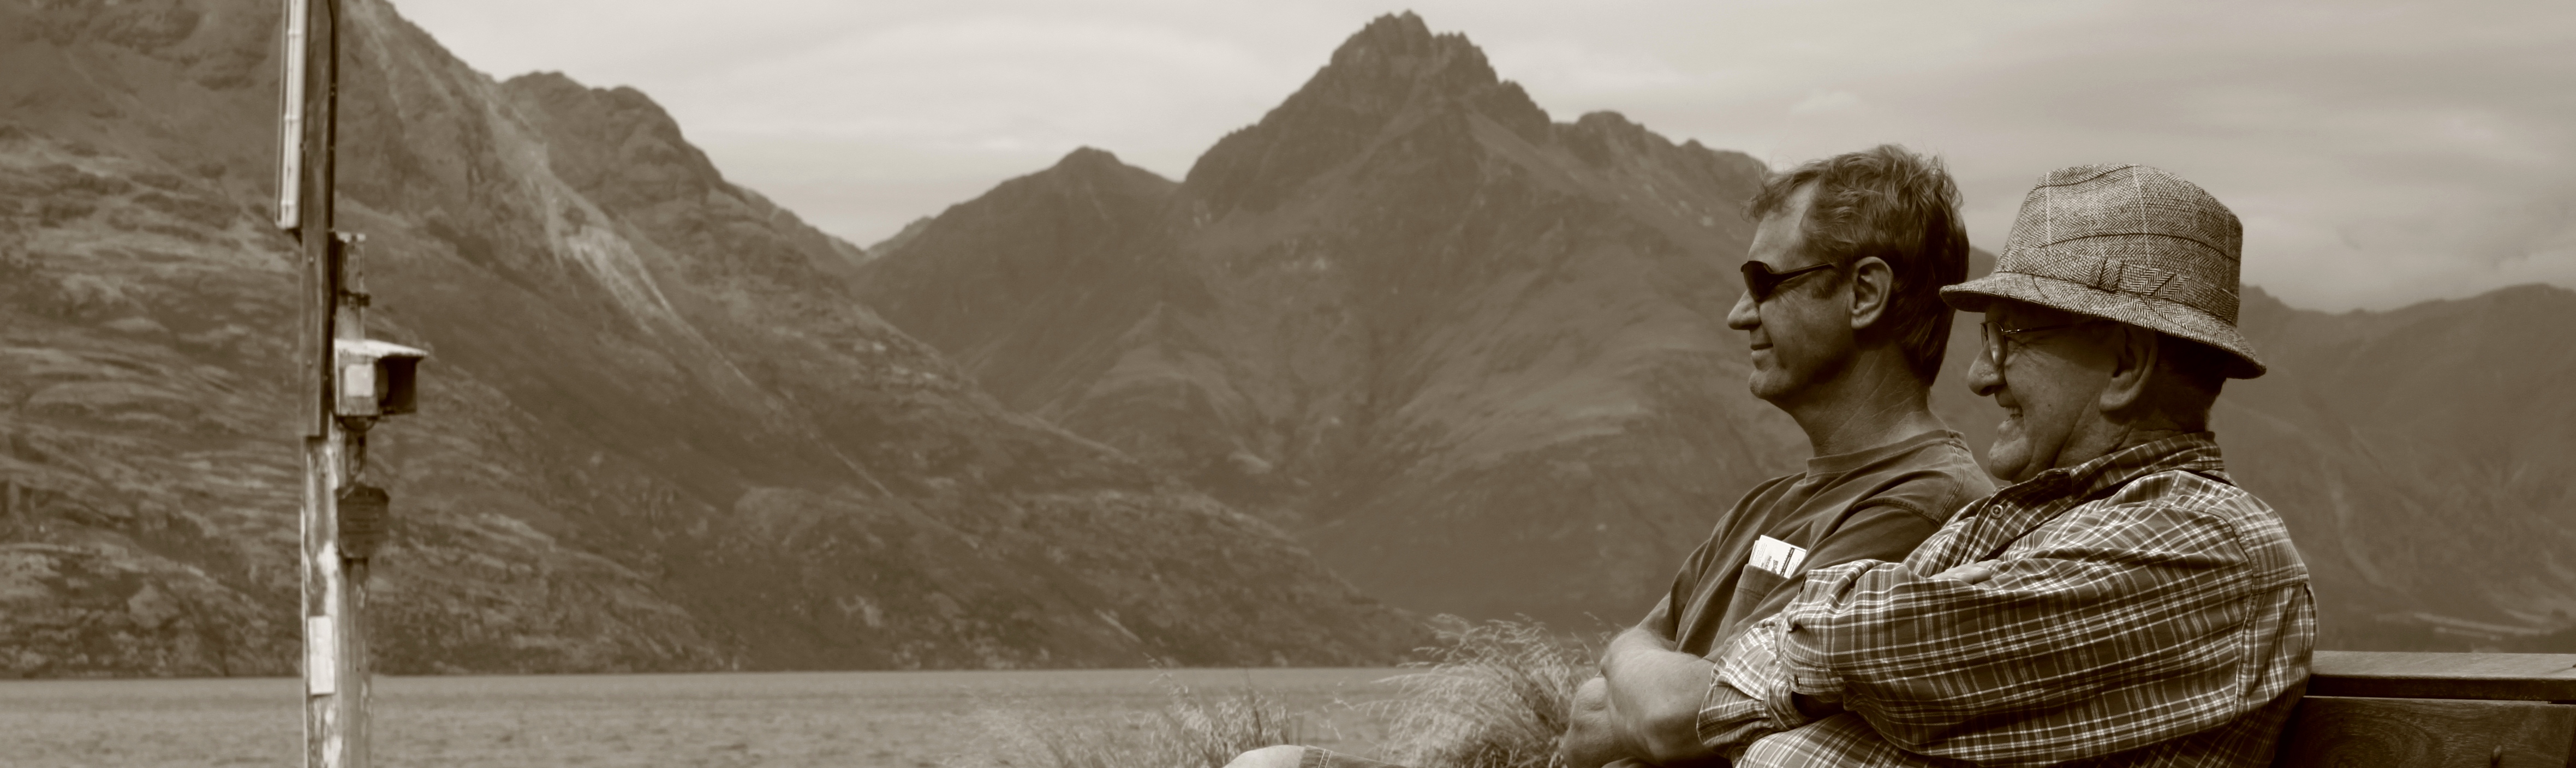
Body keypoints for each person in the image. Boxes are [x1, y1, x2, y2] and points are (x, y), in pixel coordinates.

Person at [1235, 144, 1993, 768]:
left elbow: (1673, 718)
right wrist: (1647, 684)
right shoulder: (1765, 505)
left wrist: (1647, 692)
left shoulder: (1921, 509)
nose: (1739, 314)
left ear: (1865, 294)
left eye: (1764, 282)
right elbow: (1601, 699)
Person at [1686, 164, 2315, 767]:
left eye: (2009, 337)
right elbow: (1838, 651)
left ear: (2126, 363)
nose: (1979, 375)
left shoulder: (2201, 543)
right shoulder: (2049, 516)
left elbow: (1855, 645)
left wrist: (1795, 667)